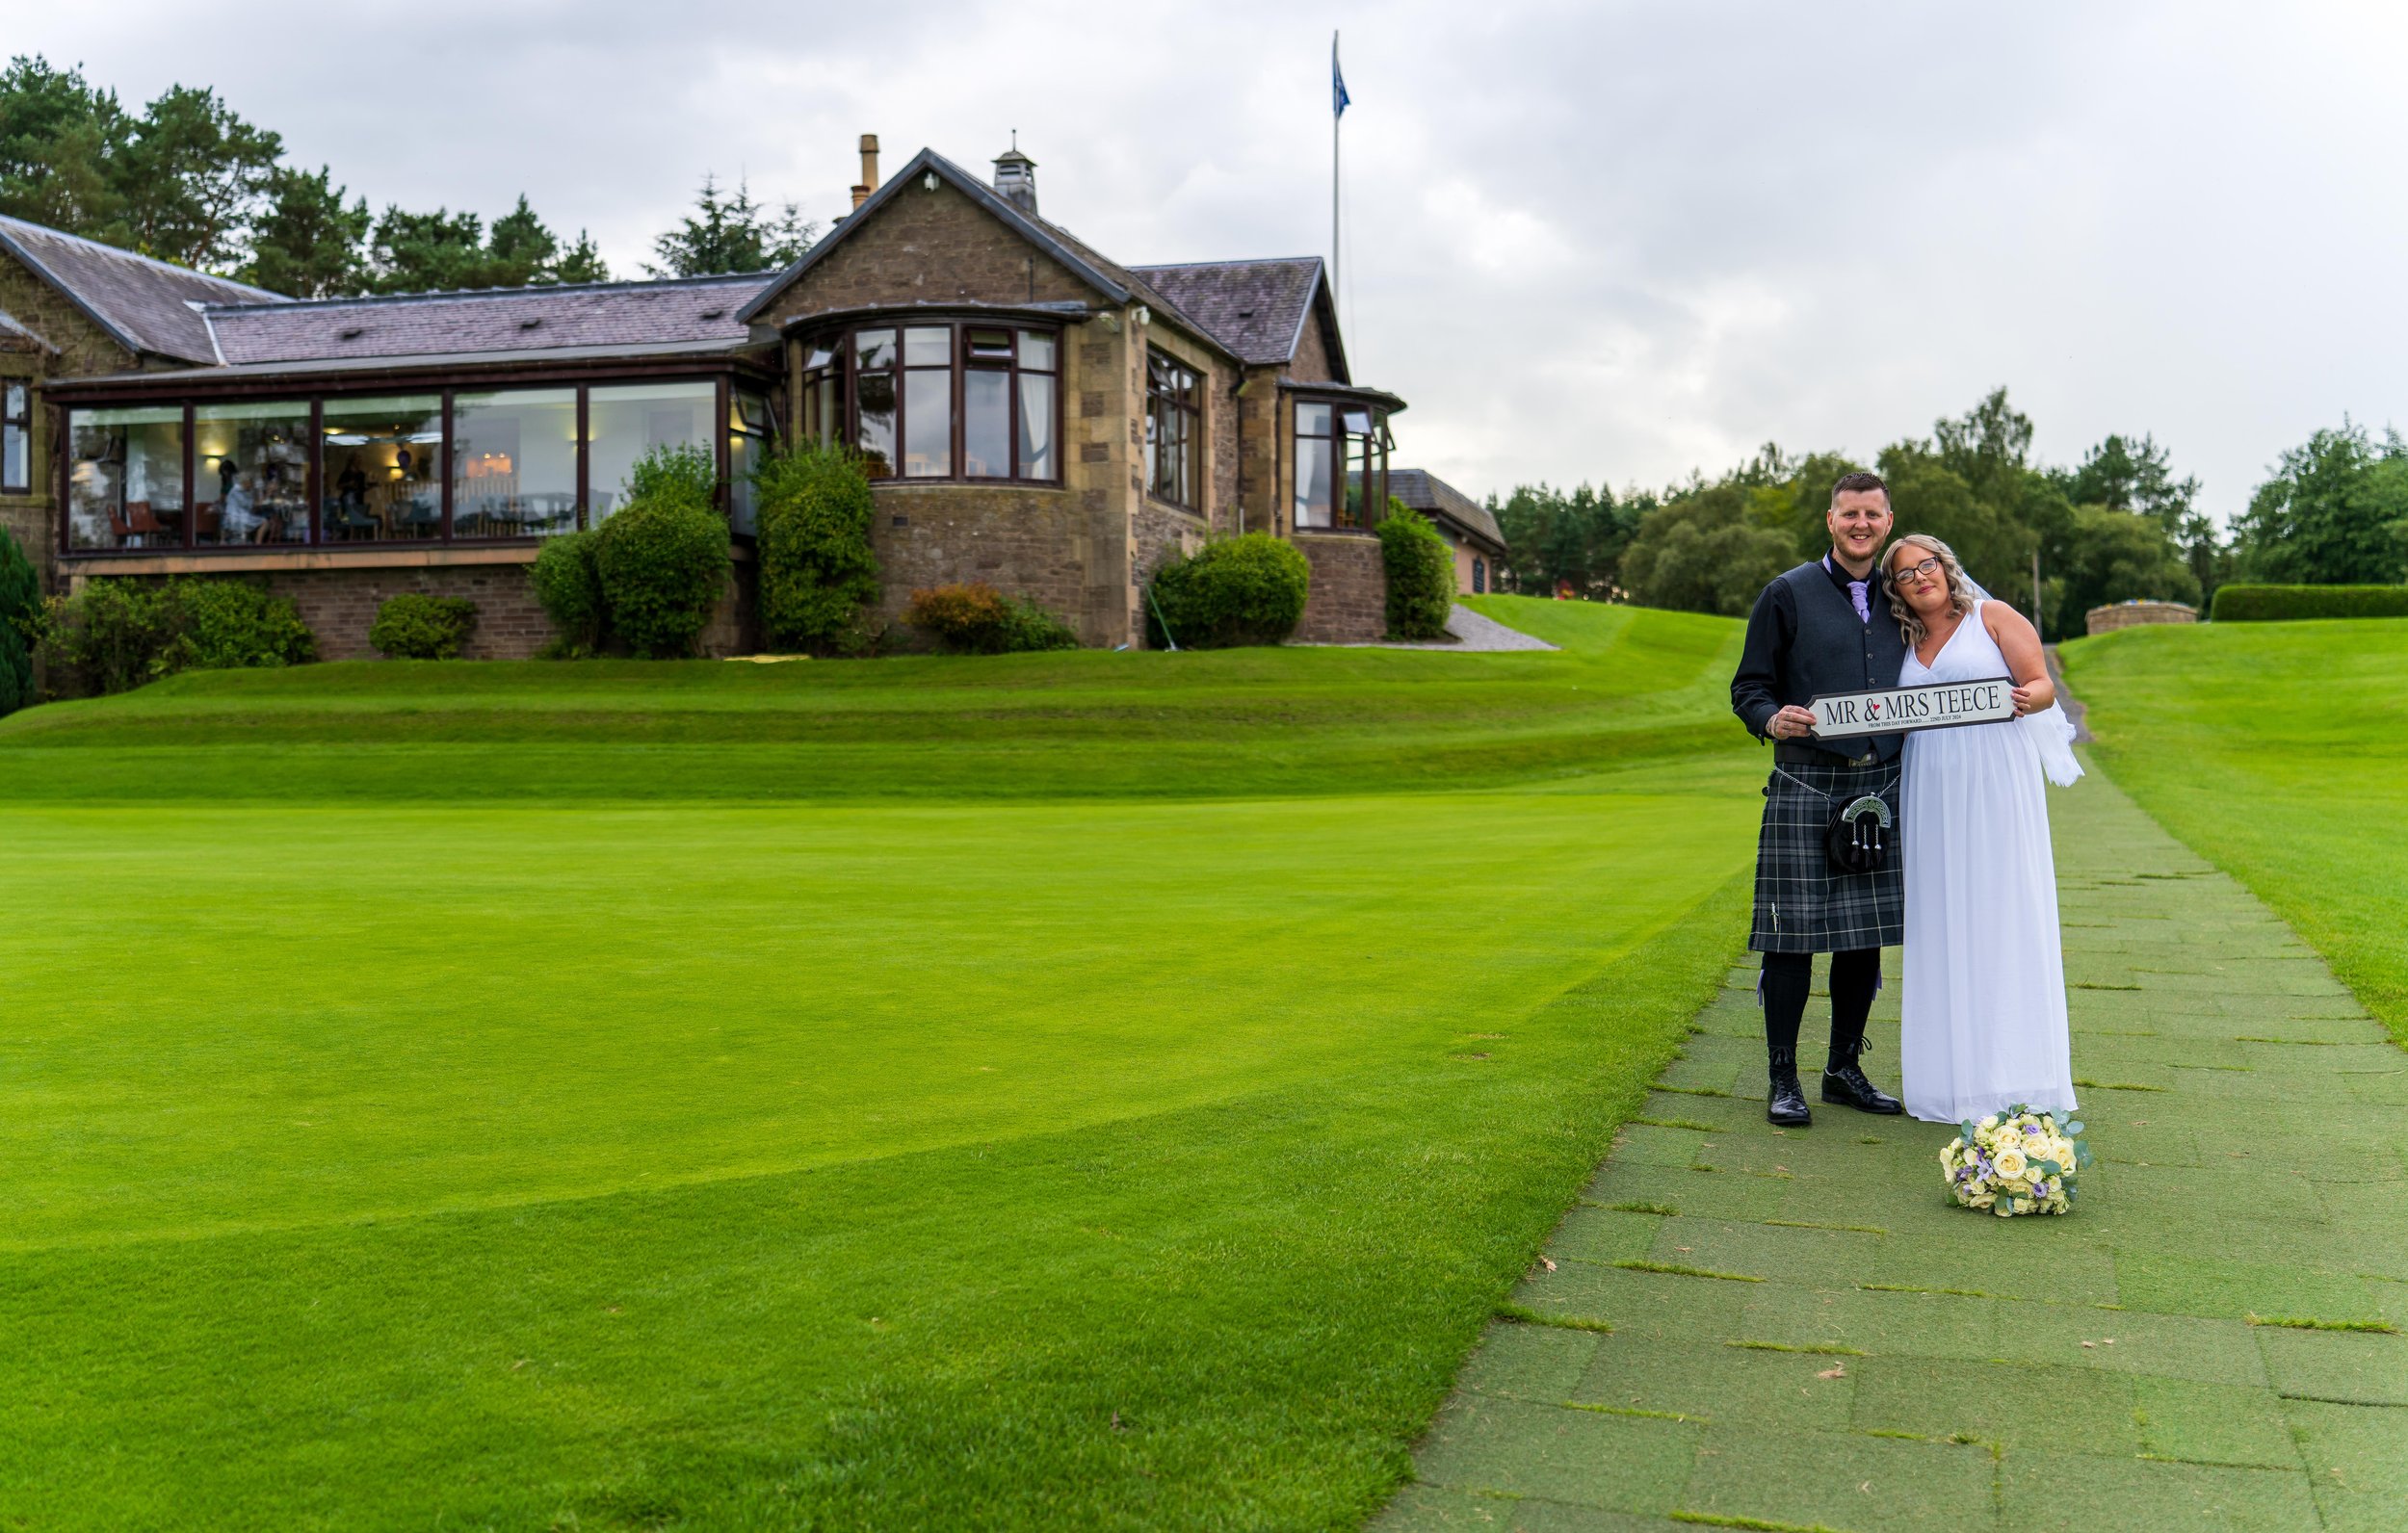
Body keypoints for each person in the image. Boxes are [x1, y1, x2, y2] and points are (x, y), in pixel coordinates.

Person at [1730, 471, 1909, 1126]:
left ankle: (1843, 1070)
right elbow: (1749, 688)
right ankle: (1784, 1078)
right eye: (1849, 514)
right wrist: (1772, 719)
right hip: (1806, 782)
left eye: (1873, 514)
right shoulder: (1787, 594)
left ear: (1888, 522)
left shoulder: (1906, 596)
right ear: (1829, 521)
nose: (1861, 524)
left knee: (1863, 938)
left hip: (1881, 785)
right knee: (1792, 937)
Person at [1884, 533, 2080, 1123]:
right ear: (1895, 591)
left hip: (1995, 778)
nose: (1920, 578)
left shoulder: (1992, 617)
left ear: (1947, 567)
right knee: (1942, 915)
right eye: (1905, 575)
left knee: (2001, 912)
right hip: (1931, 786)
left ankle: (2015, 1076)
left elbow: (2041, 683)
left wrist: (2029, 699)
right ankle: (1948, 1081)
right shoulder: (1904, 640)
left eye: (1927, 566)